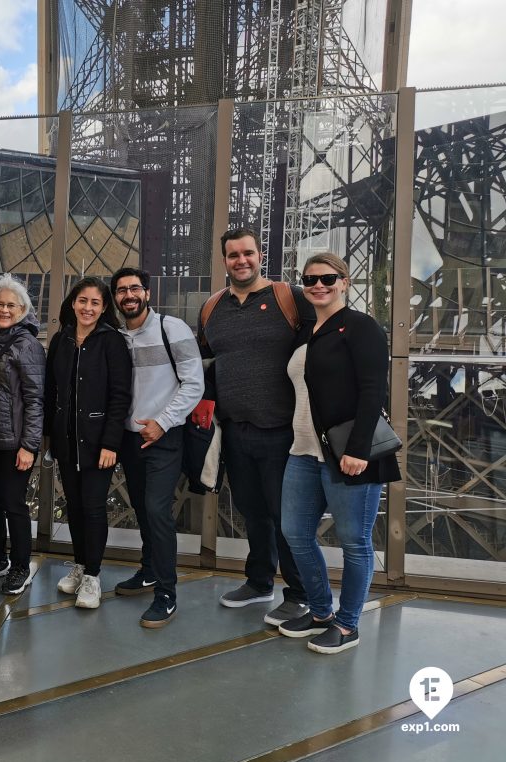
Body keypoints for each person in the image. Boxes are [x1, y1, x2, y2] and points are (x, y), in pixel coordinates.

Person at [278, 253, 401, 654]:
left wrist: (359, 449)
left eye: (327, 278)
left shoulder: (360, 327)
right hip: (303, 450)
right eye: (310, 279)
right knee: (295, 533)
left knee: (354, 541)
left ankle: (347, 626)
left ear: (344, 282)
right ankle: (319, 613)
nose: (318, 285)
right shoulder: (308, 331)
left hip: (349, 454)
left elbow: (373, 392)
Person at [198, 227, 313, 626]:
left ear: (260, 255)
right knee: (253, 512)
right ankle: (259, 580)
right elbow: (208, 362)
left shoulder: (288, 298)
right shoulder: (213, 308)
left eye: (248, 253)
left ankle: (299, 594)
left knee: (287, 517)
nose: (241, 260)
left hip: (282, 431)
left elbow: (321, 344)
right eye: (233, 255)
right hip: (235, 431)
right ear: (224, 260)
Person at [111, 267, 204, 628]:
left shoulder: (172, 328)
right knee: (141, 507)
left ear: (147, 293)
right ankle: (149, 571)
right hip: (129, 439)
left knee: (156, 510)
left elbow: (193, 383)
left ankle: (167, 593)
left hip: (164, 437)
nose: (128, 295)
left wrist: (162, 422)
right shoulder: (117, 338)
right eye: (121, 290)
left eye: (135, 288)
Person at [45, 277, 132, 609]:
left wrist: (112, 443)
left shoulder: (111, 341)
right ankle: (80, 565)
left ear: (104, 307)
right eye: (82, 301)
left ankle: (93, 576)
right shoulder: (61, 339)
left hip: (98, 443)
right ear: (72, 302)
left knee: (94, 508)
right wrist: (49, 436)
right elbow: (51, 390)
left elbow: (120, 395)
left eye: (95, 303)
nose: (87, 308)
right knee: (75, 507)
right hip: (67, 440)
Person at [0, 275, 45, 595]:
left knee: (14, 503)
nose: (4, 309)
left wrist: (29, 445)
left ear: (22, 309)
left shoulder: (27, 343)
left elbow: (35, 398)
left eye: (10, 305)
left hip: (15, 442)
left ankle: (20, 564)